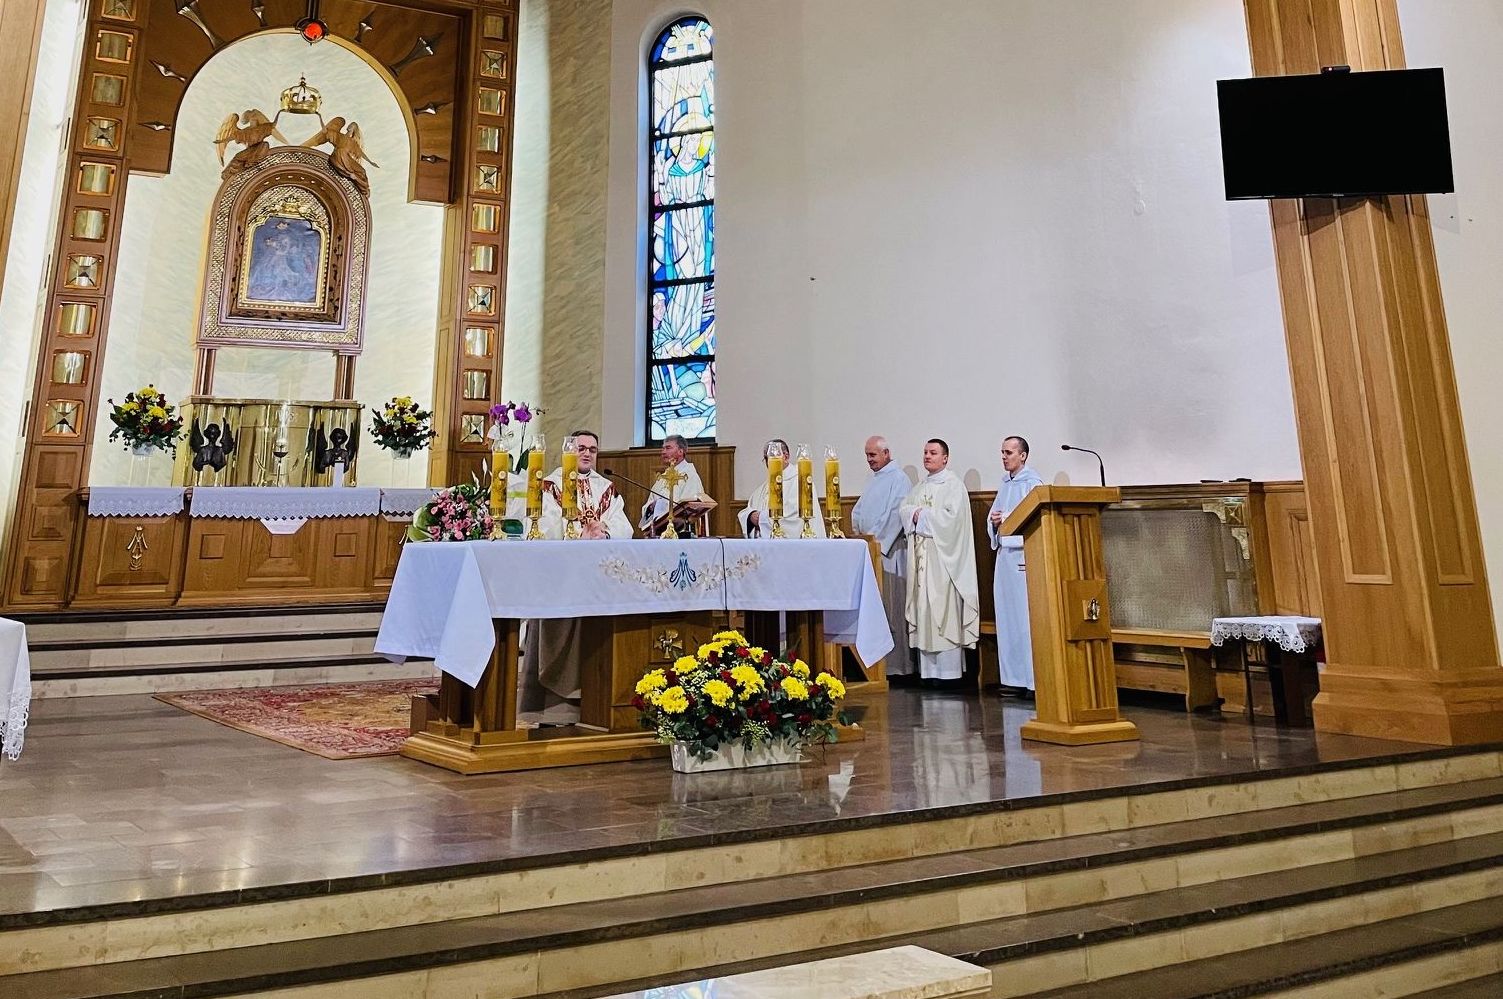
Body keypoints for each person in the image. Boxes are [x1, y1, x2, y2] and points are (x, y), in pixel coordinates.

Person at [521, 431, 633, 726]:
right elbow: (540, 526)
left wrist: (604, 532)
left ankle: (595, 702)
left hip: (599, 578)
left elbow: (624, 526)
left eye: (592, 450)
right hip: (561, 577)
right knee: (558, 637)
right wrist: (574, 534)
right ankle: (553, 710)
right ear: (568, 451)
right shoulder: (550, 485)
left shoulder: (606, 487)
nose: (586, 453)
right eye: (581, 448)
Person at [899, 439, 979, 686]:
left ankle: (949, 674)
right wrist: (913, 514)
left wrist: (921, 515)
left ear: (945, 458)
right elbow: (904, 509)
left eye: (933, 452)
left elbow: (953, 521)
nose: (927, 456)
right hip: (922, 560)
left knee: (943, 611)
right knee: (924, 610)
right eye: (925, 452)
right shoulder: (919, 487)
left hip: (944, 562)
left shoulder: (954, 486)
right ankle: (929, 673)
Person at [850, 436, 914, 679]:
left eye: (873, 455)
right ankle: (881, 666)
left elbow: (894, 515)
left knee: (893, 608)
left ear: (886, 453)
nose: (869, 460)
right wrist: (859, 535)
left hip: (890, 552)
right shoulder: (874, 479)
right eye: (867, 455)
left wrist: (875, 543)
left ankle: (899, 667)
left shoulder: (899, 479)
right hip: (872, 551)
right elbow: (858, 511)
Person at [987, 436, 1045, 698]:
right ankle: (1013, 678)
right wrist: (994, 521)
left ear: (1023, 455)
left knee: (1025, 620)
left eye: (1009, 452)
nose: (1004, 457)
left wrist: (1007, 518)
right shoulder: (1005, 483)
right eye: (1002, 452)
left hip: (1023, 557)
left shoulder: (1033, 484)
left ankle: (1033, 681)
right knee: (1008, 618)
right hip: (1005, 559)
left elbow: (1035, 517)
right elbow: (995, 516)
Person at [738, 439, 826, 538]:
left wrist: (761, 519)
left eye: (773, 457)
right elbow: (747, 511)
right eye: (766, 458)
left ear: (786, 457)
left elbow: (793, 517)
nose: (769, 462)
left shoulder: (801, 481)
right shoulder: (762, 489)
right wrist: (750, 516)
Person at [638, 434, 705, 536]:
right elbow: (649, 505)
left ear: (681, 451)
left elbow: (692, 509)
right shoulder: (662, 478)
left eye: (668, 448)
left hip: (681, 534)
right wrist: (652, 507)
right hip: (659, 533)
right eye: (663, 448)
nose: (663, 452)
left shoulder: (689, 476)